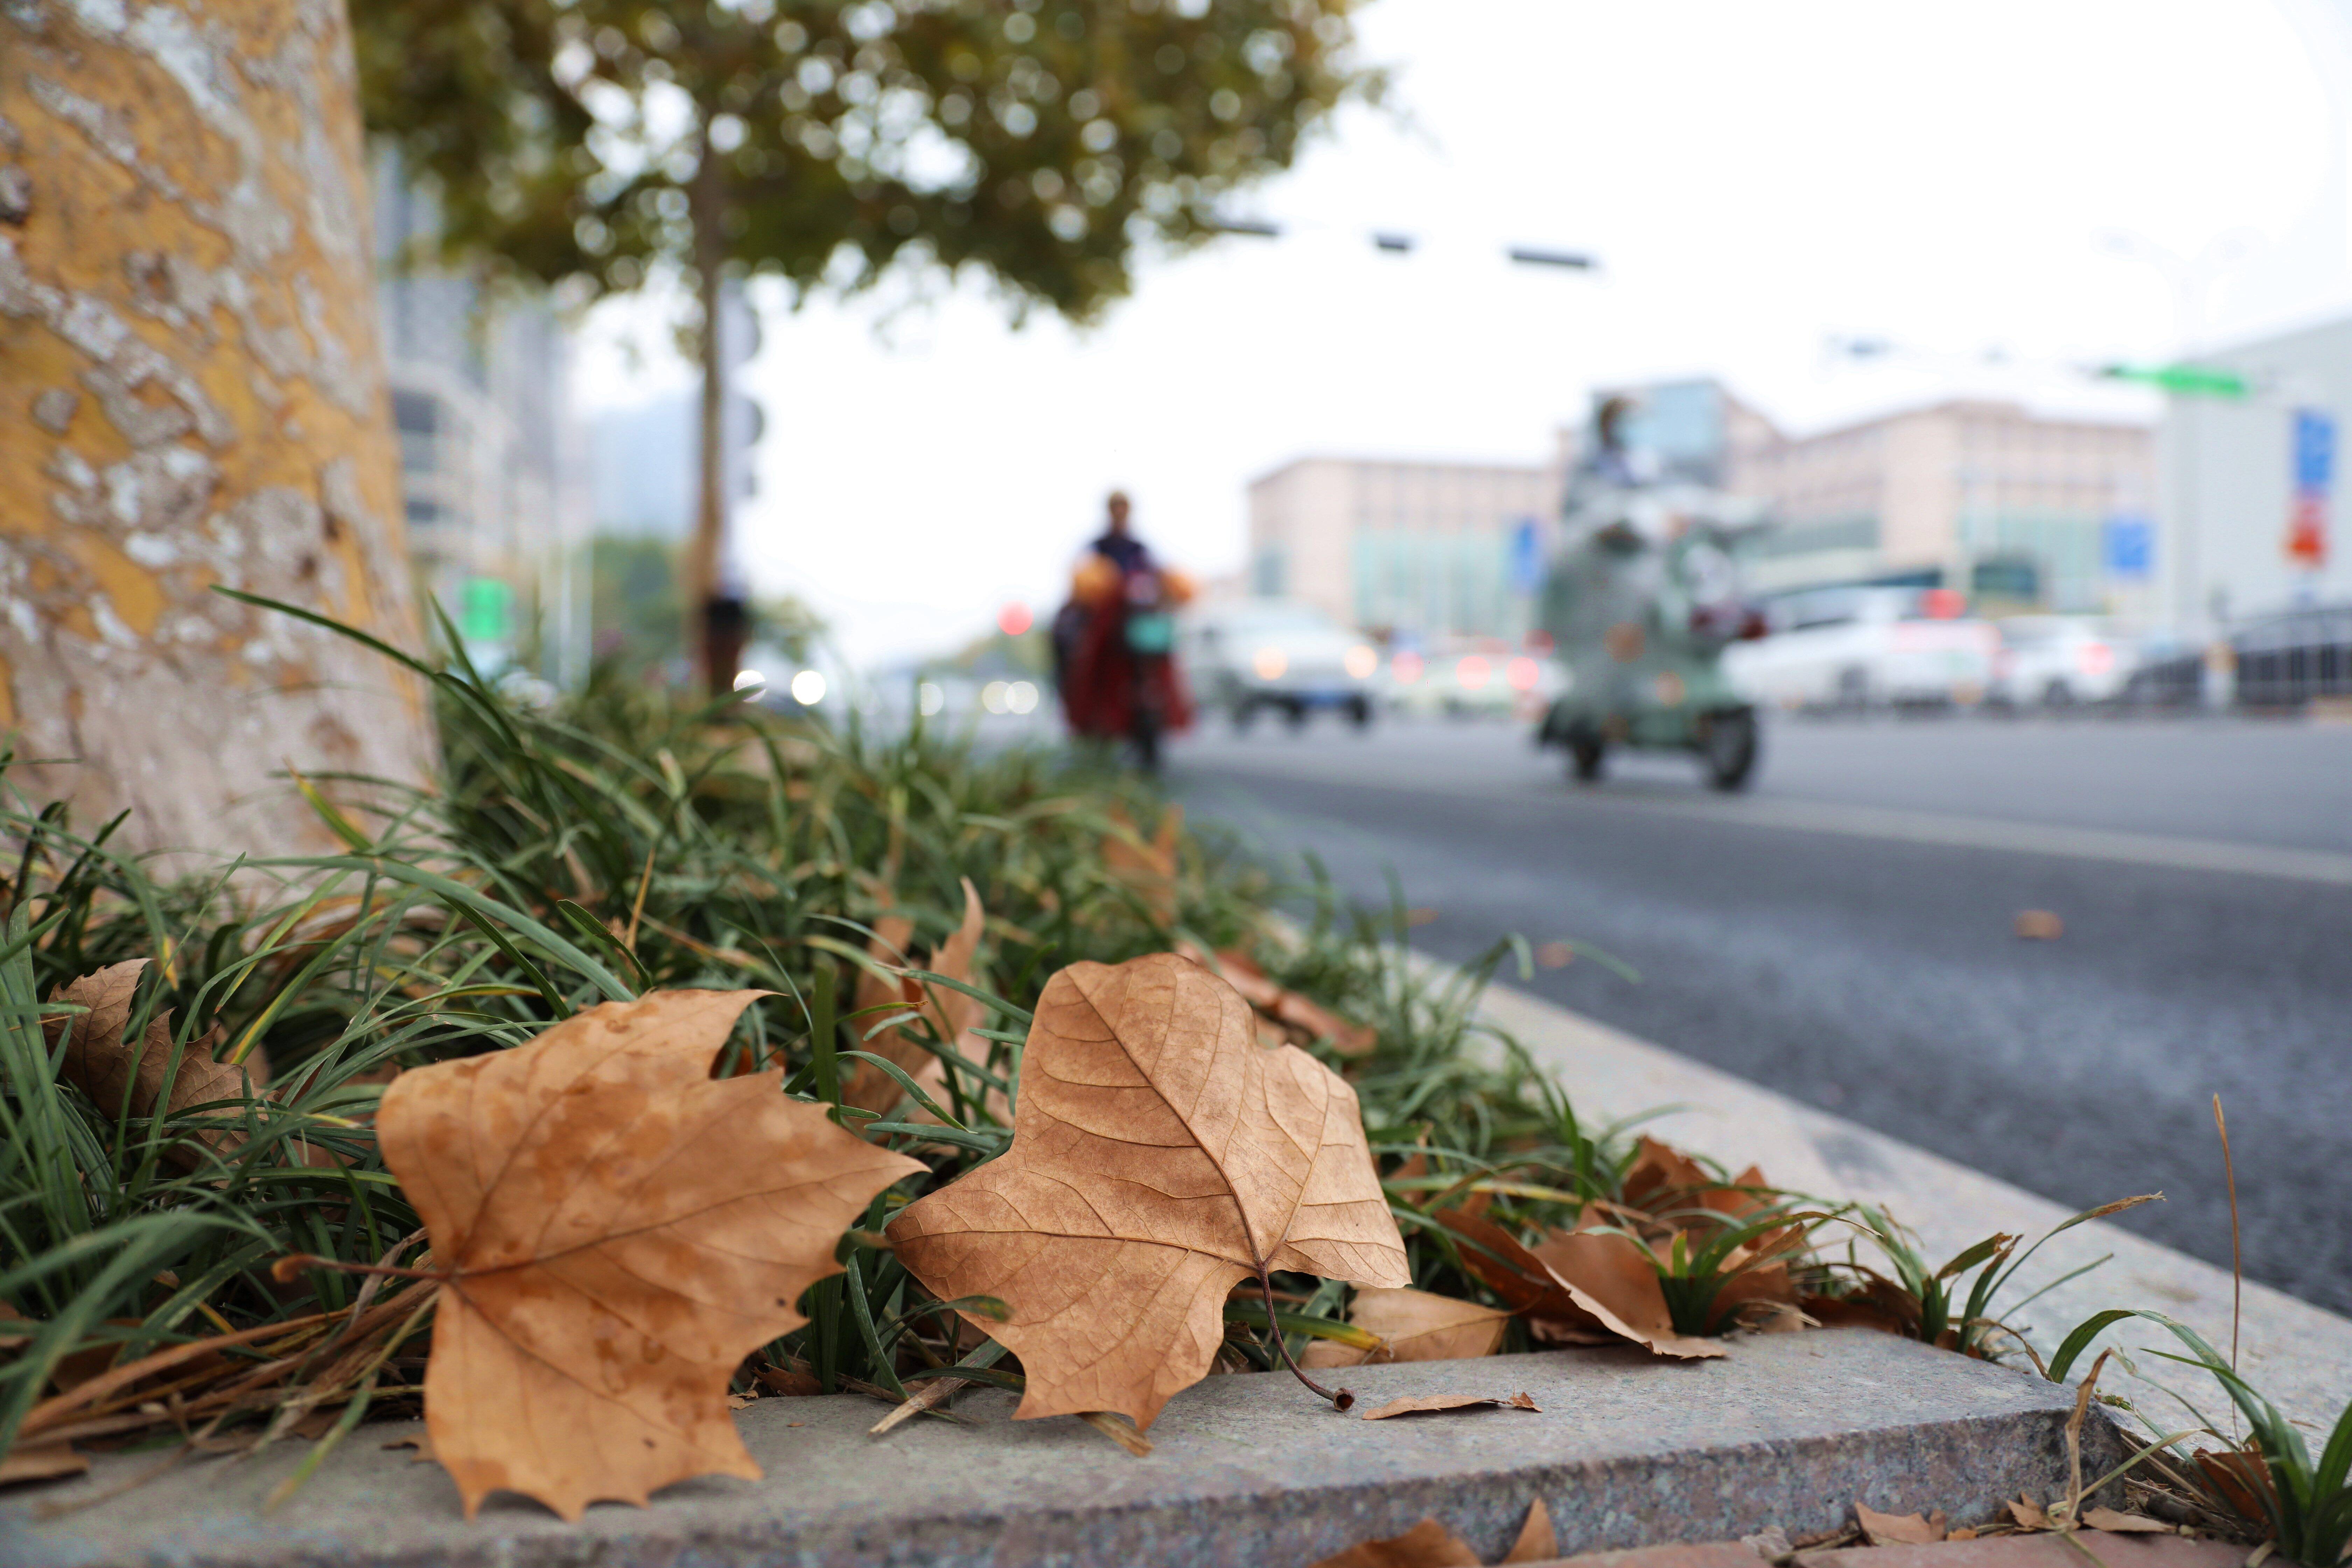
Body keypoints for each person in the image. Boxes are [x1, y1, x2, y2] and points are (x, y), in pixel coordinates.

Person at [1054, 491, 1194, 766]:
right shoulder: (1098, 547)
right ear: (1110, 511)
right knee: (1080, 648)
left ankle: (1157, 715)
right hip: (1108, 619)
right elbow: (1083, 583)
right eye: (1116, 508)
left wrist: (1164, 594)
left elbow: (1159, 579)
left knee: (1161, 653)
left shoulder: (1139, 548)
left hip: (1135, 619)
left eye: (1124, 508)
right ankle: (1086, 713)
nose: (1120, 513)